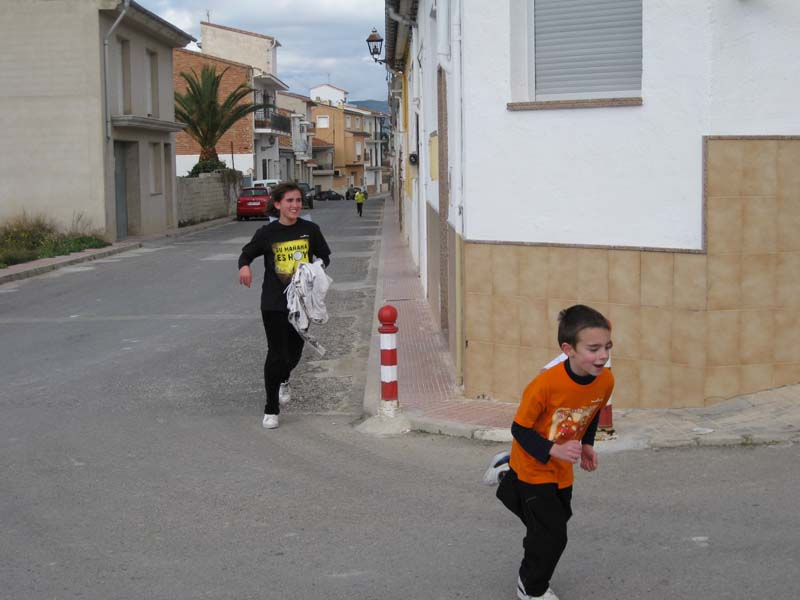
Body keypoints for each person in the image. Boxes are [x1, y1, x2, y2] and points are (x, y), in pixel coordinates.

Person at [496, 304, 614, 600]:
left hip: (562, 469)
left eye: (607, 347)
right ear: (568, 349)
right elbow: (519, 429)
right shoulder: (545, 385)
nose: (602, 355)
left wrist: (587, 444)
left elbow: (591, 412)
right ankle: (531, 587)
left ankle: (506, 478)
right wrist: (554, 450)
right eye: (593, 349)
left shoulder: (606, 381)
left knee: (554, 522)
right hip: (533, 466)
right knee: (552, 534)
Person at [238, 182, 331, 429]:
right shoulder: (267, 233)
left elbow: (324, 256)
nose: (295, 205)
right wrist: (244, 267)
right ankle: (271, 409)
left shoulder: (310, 230)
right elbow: (246, 254)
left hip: (301, 303)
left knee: (294, 353)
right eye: (290, 200)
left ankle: (284, 378)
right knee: (276, 353)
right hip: (274, 302)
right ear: (278, 204)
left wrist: (315, 269)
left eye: (298, 200)